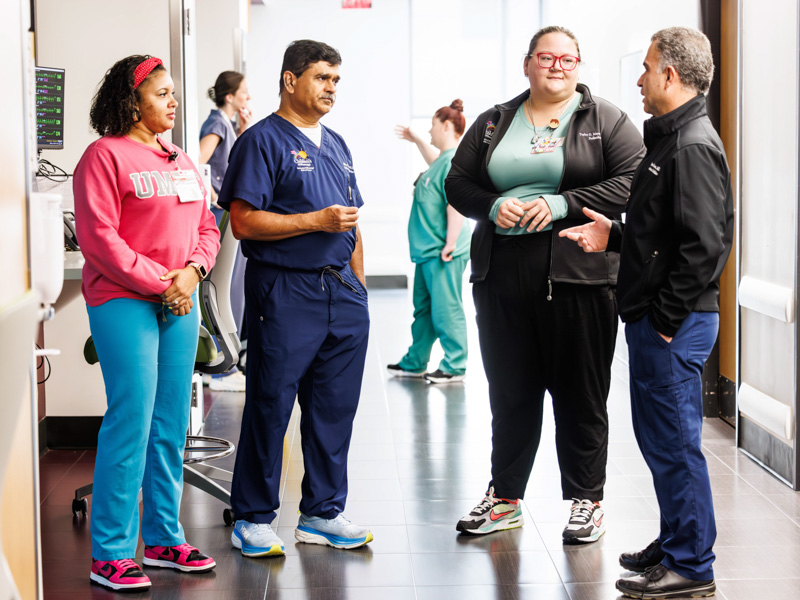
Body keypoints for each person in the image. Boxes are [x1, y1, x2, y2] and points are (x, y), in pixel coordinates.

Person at [445, 25, 645, 542]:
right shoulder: (494, 121)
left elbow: (632, 181)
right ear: (527, 63)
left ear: (579, 65)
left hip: (578, 277)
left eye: (568, 59)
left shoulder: (606, 119)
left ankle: (587, 501)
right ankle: (505, 498)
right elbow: (458, 182)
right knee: (510, 391)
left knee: (580, 393)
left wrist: (561, 203)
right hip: (501, 274)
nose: (557, 66)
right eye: (546, 57)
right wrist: (492, 205)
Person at [560, 26, 733, 598]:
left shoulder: (691, 145)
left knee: (675, 443)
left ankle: (692, 567)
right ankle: (676, 540)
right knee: (661, 440)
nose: (638, 78)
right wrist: (614, 236)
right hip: (660, 319)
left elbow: (704, 247)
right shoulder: (670, 139)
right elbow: (664, 233)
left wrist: (662, 320)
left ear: (671, 75)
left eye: (647, 66)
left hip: (672, 325)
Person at [218, 39, 372, 557]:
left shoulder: (339, 145)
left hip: (342, 294)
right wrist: (315, 221)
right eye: (321, 78)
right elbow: (242, 223)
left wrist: (361, 290)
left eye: (335, 80)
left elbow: (353, 224)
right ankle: (254, 518)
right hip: (285, 291)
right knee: (271, 404)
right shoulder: (261, 141)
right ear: (290, 80)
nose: (331, 89)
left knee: (334, 408)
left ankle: (323, 513)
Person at [73, 55, 220, 592]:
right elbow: (101, 240)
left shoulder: (181, 159)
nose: (173, 101)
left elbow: (207, 225)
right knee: (132, 417)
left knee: (168, 425)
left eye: (174, 92)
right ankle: (110, 552)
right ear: (132, 101)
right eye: (162, 93)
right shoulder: (103, 156)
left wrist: (195, 271)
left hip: (178, 300)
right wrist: (168, 283)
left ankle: (163, 539)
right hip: (124, 300)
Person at [387, 100, 471, 384]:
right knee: (423, 309)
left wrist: (450, 243)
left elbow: (456, 205)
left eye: (432, 127)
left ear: (446, 126)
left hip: (442, 250)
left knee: (446, 309)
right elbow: (433, 161)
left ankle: (455, 364)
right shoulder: (443, 162)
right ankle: (415, 362)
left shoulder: (454, 162)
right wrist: (417, 139)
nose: (430, 132)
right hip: (427, 251)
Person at [198, 71, 252, 393]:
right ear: (229, 96)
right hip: (218, 216)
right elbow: (199, 162)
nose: (248, 97)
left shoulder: (228, 125)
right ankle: (217, 368)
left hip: (228, 217)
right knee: (223, 290)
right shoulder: (216, 124)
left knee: (233, 288)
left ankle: (225, 361)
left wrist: (243, 128)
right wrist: (211, 198)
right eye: (244, 93)